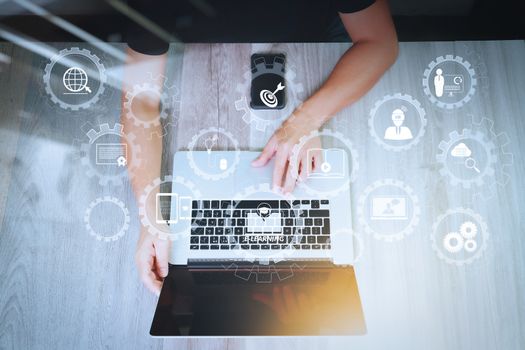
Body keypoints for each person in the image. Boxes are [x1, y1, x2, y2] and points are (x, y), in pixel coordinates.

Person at [122, 0, 398, 295]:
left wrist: (307, 119)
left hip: (315, 44)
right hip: (199, 60)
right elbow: (140, 100)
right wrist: (150, 217)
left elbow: (380, 43)